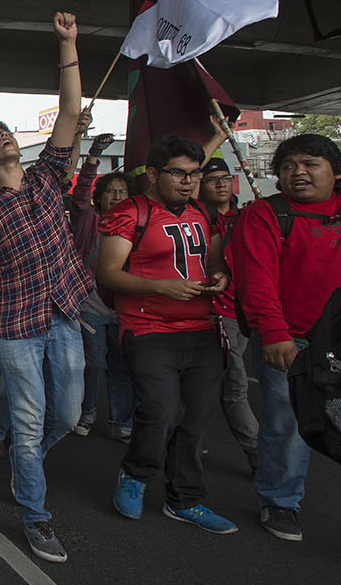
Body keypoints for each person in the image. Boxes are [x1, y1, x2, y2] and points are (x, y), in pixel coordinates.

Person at [0, 12, 89, 564]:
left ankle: (24, 458)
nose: (4, 137)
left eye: (6, 132)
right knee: (32, 423)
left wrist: (68, 46)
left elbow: (66, 110)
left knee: (67, 415)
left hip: (62, 315)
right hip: (14, 331)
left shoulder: (46, 178)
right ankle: (37, 517)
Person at [227, 133, 341, 543]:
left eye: (310, 164)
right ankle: (280, 501)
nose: (298, 173)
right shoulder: (265, 215)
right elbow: (258, 282)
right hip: (298, 345)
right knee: (288, 428)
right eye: (288, 167)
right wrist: (274, 335)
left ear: (337, 172)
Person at [97, 135, 237, 534]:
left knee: (197, 417)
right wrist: (161, 287)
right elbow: (107, 273)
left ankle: (186, 499)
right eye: (178, 173)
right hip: (148, 329)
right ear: (155, 174)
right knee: (159, 410)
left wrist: (219, 277)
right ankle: (136, 473)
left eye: (194, 173)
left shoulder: (202, 213)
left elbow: (211, 260)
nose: (188, 181)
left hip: (202, 328)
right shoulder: (130, 213)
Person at [68, 135, 134, 441]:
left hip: (124, 310)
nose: (117, 197)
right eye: (111, 192)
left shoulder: (138, 225)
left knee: (122, 368)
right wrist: (94, 154)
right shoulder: (88, 220)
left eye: (122, 192)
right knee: (93, 364)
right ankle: (87, 413)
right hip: (90, 310)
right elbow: (80, 192)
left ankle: (122, 421)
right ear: (100, 197)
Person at [197, 156, 259, 471]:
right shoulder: (194, 221)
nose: (221, 184)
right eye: (212, 179)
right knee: (235, 387)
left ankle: (189, 439)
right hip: (213, 311)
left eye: (225, 177)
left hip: (244, 312)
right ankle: (259, 454)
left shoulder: (251, 217)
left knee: (210, 382)